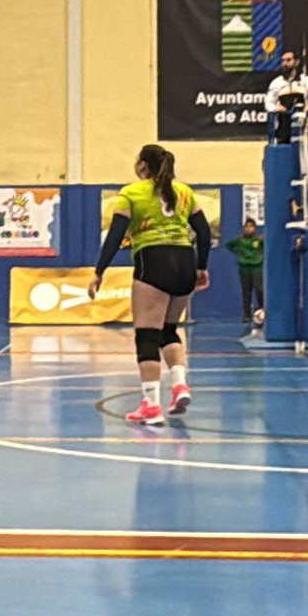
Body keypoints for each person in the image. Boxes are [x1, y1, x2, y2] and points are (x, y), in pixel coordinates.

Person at [88, 144, 211, 427]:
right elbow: (203, 232)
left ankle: (151, 405)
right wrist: (201, 267)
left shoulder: (132, 193)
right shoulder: (184, 192)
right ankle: (179, 385)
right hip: (185, 260)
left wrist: (99, 271)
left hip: (154, 260)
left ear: (143, 165)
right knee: (169, 329)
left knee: (147, 335)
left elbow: (115, 236)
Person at [265, 51, 308, 144]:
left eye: (288, 60)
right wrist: (275, 108)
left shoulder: (306, 81)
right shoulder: (276, 83)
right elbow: (268, 103)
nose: (285, 63)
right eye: (283, 61)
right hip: (283, 126)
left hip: (303, 125)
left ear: (297, 62)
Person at [226, 218, 264, 323]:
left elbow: (266, 246)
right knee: (246, 291)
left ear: (255, 228)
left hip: (257, 267)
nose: (248, 229)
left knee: (259, 289)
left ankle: (262, 310)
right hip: (244, 268)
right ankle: (247, 314)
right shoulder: (239, 240)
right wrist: (238, 252)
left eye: (251, 226)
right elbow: (229, 245)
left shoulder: (258, 240)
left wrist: (260, 254)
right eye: (246, 226)